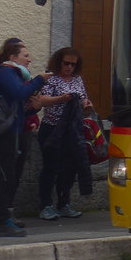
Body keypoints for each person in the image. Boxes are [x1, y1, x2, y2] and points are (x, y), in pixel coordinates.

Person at [0, 40, 50, 237]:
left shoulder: (8, 73)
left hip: (11, 131)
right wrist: (39, 80)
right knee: (5, 177)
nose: (30, 59)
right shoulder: (7, 72)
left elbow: (15, 106)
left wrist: (33, 109)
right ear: (13, 58)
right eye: (25, 56)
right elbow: (19, 92)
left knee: (1, 175)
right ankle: (3, 222)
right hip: (7, 134)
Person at [32, 47, 94, 220]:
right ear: (59, 62)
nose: (69, 67)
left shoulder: (77, 80)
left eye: (73, 64)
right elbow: (42, 101)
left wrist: (86, 106)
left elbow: (83, 100)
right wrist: (62, 98)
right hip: (52, 128)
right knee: (51, 167)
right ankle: (45, 205)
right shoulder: (50, 79)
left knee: (69, 168)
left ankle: (64, 203)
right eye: (66, 63)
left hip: (71, 130)